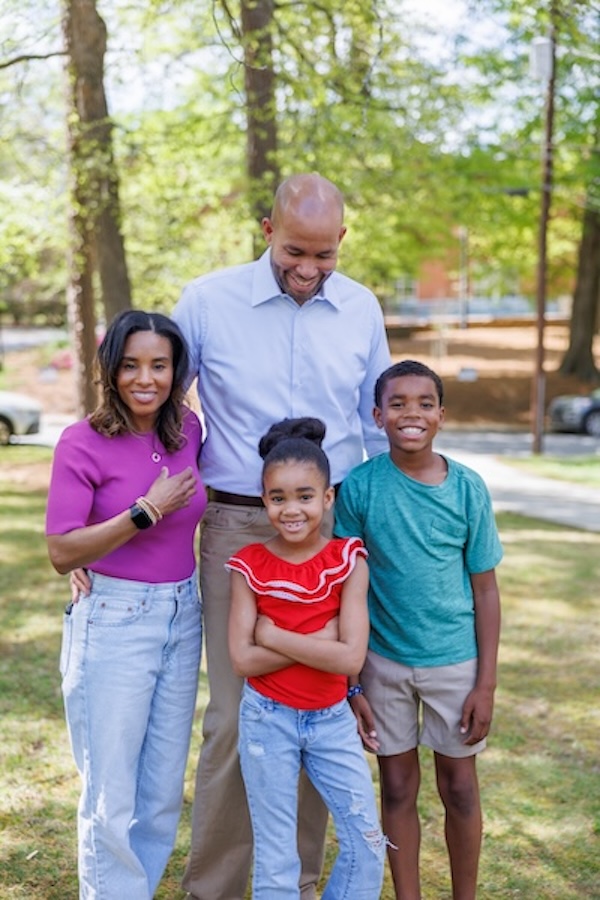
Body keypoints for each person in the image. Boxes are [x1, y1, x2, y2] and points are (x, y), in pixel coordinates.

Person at [172, 172, 392, 899]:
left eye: (324, 256)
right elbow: (161, 408)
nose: (308, 270)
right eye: (296, 251)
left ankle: (292, 887)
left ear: (342, 243)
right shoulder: (208, 301)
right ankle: (217, 889)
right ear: (267, 229)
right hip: (238, 523)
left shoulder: (361, 307)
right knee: (239, 717)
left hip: (331, 528)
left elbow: (375, 425)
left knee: (318, 705)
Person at [46, 310, 206, 899]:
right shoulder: (81, 441)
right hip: (114, 621)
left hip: (182, 616)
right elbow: (63, 550)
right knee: (111, 793)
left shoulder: (186, 430)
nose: (146, 378)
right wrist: (144, 511)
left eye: (159, 365)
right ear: (109, 369)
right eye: (131, 364)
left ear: (175, 371)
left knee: (161, 792)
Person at [334, 359, 503, 900]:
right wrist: (353, 680)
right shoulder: (359, 488)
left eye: (425, 403)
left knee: (459, 787)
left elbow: (486, 591)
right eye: (399, 403)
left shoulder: (468, 489)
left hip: (455, 661)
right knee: (398, 787)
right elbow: (346, 589)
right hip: (382, 661)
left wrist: (486, 683)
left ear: (441, 415)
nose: (412, 414)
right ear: (377, 414)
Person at [227, 417, 386, 899]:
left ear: (328, 498)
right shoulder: (249, 564)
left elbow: (350, 657)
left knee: (367, 841)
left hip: (332, 721)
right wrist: (323, 638)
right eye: (278, 497)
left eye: (304, 496)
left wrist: (273, 634)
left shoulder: (348, 560)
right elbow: (241, 660)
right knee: (277, 854)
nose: (291, 509)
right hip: (266, 719)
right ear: (264, 500)